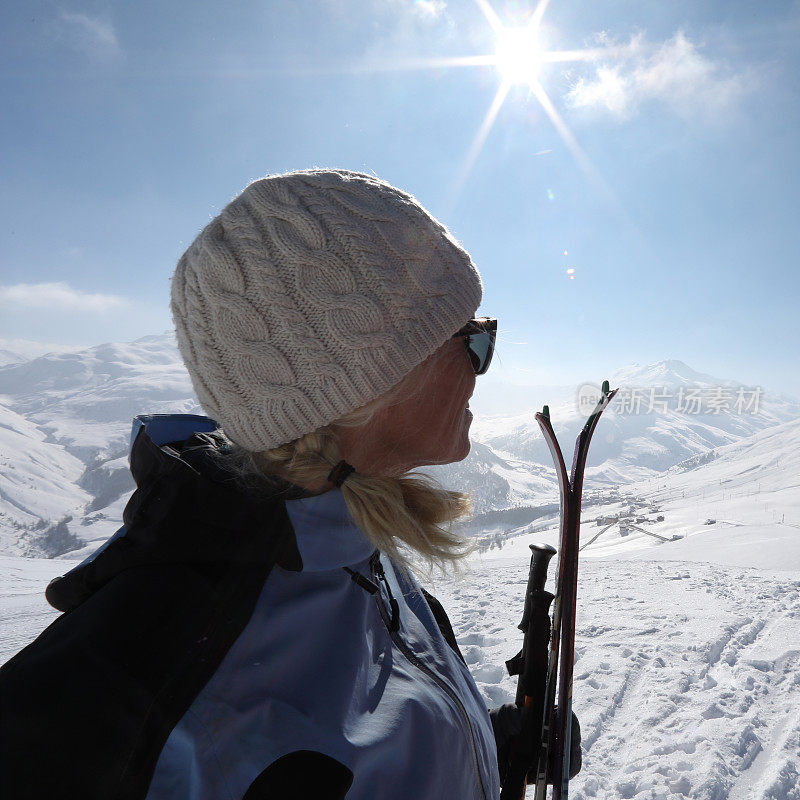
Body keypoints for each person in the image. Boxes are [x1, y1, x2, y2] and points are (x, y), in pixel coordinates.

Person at [0, 169, 578, 799]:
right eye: (472, 340)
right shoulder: (130, 690)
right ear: (371, 386)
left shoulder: (346, 533)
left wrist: (492, 747)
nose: (485, 360)